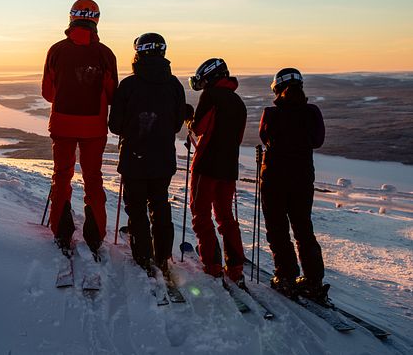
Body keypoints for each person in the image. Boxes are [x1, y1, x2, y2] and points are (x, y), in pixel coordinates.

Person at [41, 0, 118, 258]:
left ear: (71, 18)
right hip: (94, 129)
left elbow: (48, 93)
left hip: (62, 123)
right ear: (96, 19)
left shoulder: (56, 50)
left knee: (62, 176)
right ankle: (95, 236)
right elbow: (112, 93)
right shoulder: (106, 54)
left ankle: (61, 232)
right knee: (93, 178)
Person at [108, 33, 186, 275]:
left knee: (137, 208)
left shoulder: (129, 85)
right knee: (160, 203)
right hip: (163, 158)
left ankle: (143, 257)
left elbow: (115, 126)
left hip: (134, 157)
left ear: (138, 52)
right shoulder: (174, 85)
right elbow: (176, 124)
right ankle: (162, 256)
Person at [259, 68, 327, 301]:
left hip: (275, 179)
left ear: (277, 88)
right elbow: (317, 141)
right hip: (302, 179)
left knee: (278, 230)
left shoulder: (271, 113)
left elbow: (265, 138)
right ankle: (313, 281)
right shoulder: (312, 112)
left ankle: (286, 277)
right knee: (303, 229)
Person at [184, 58, 247, 284]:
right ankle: (236, 267)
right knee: (226, 217)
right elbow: (237, 139)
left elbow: (199, 127)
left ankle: (212, 265)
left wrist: (189, 120)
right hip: (228, 167)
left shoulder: (210, 96)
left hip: (207, 165)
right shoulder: (239, 102)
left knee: (201, 214)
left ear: (210, 77)